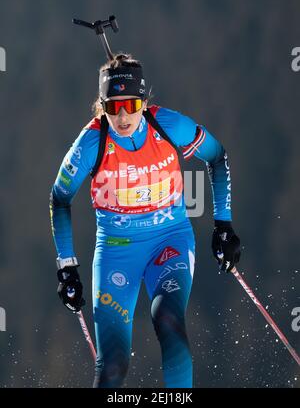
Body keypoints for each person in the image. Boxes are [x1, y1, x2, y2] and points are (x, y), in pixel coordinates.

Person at [49, 53, 241, 388]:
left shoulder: (167, 126)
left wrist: (223, 224)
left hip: (170, 242)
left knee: (167, 319)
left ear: (144, 102)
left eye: (131, 105)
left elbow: (217, 156)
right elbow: (60, 197)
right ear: (102, 106)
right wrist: (67, 266)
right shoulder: (92, 142)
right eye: (113, 107)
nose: (123, 116)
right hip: (116, 252)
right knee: (112, 364)